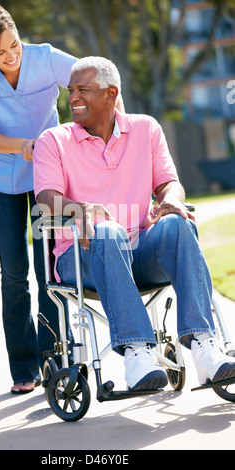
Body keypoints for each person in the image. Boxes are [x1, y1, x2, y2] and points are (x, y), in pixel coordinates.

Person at [33, 56, 235, 391]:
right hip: (81, 259)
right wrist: (79, 209)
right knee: (107, 231)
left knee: (178, 223)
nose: (72, 98)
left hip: (138, 251)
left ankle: (203, 344)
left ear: (111, 94)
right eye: (70, 91)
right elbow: (46, 196)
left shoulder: (146, 129)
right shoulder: (53, 141)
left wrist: (173, 198)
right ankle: (137, 352)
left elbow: (169, 183)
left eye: (83, 89)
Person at [0, 3, 78, 394]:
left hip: (47, 178)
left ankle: (54, 358)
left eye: (14, 46)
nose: (10, 57)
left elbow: (95, 79)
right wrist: (24, 146)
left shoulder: (46, 58)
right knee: (14, 274)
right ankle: (24, 366)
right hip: (2, 178)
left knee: (50, 272)